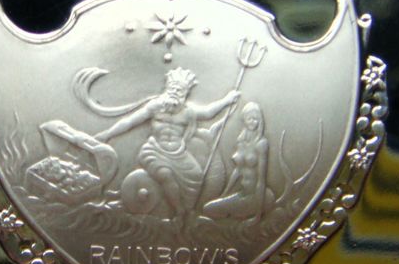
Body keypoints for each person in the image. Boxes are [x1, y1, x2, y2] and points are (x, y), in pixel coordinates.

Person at [95, 67, 238, 222]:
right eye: (173, 88)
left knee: (196, 177)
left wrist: (227, 100)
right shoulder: (155, 107)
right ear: (167, 88)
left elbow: (208, 112)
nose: (175, 92)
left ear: (185, 94)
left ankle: (189, 211)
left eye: (180, 91)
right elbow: (129, 122)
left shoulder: (188, 112)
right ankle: (179, 211)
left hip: (178, 153)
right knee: (166, 175)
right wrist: (107, 134)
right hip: (154, 150)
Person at [203, 102, 271, 222]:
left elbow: (262, 180)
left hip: (257, 196)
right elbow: (238, 170)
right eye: (250, 118)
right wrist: (224, 194)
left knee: (219, 213)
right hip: (243, 193)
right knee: (208, 208)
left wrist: (258, 216)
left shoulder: (261, 144)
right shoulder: (241, 141)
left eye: (256, 119)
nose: (253, 122)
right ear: (244, 120)